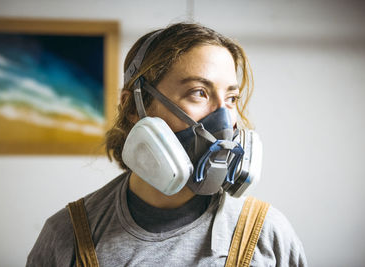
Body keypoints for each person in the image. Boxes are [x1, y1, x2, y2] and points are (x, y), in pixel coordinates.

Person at [27, 22, 307, 266]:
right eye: (199, 93)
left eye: (231, 98)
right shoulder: (67, 236)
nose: (224, 119)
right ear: (134, 106)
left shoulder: (267, 236)